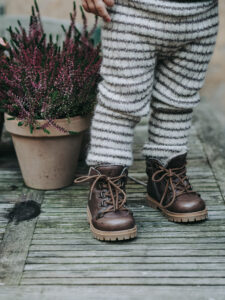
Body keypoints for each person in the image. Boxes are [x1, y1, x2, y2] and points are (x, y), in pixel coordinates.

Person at [75, 0, 219, 241]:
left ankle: (165, 177)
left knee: (178, 102)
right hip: (132, 14)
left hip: (200, 18)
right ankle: (105, 182)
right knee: (120, 104)